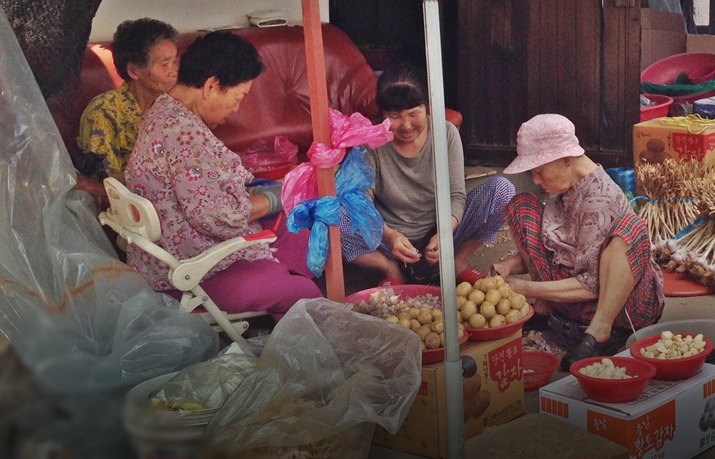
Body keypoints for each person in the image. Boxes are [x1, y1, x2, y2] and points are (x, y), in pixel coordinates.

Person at [126, 31, 321, 318]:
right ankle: (287, 298)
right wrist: (275, 198)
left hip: (172, 250)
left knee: (300, 237)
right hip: (192, 270)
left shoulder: (165, 110)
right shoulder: (182, 133)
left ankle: (279, 292)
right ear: (211, 86)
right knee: (307, 296)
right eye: (239, 96)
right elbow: (218, 216)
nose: (237, 107)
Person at [490, 114, 665, 370]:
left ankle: (599, 332)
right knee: (523, 206)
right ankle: (545, 307)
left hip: (615, 304)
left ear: (566, 160)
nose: (536, 180)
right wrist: (509, 266)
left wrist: (523, 288)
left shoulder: (599, 202)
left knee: (631, 229)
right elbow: (558, 243)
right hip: (571, 294)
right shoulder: (567, 184)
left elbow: (590, 285)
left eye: (539, 172)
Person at [342, 63, 515, 285]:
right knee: (337, 209)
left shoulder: (446, 134)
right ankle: (389, 269)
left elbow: (456, 195)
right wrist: (389, 236)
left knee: (503, 190)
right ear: (382, 114)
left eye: (413, 114)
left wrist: (443, 234)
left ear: (427, 107)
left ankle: (455, 263)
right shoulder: (371, 142)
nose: (405, 125)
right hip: (385, 241)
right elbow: (359, 202)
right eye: (394, 116)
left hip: (439, 235)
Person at [78, 18, 180, 183]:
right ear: (133, 71)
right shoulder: (103, 113)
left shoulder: (171, 106)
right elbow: (103, 182)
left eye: (174, 61)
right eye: (164, 64)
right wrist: (160, 177)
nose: (173, 71)